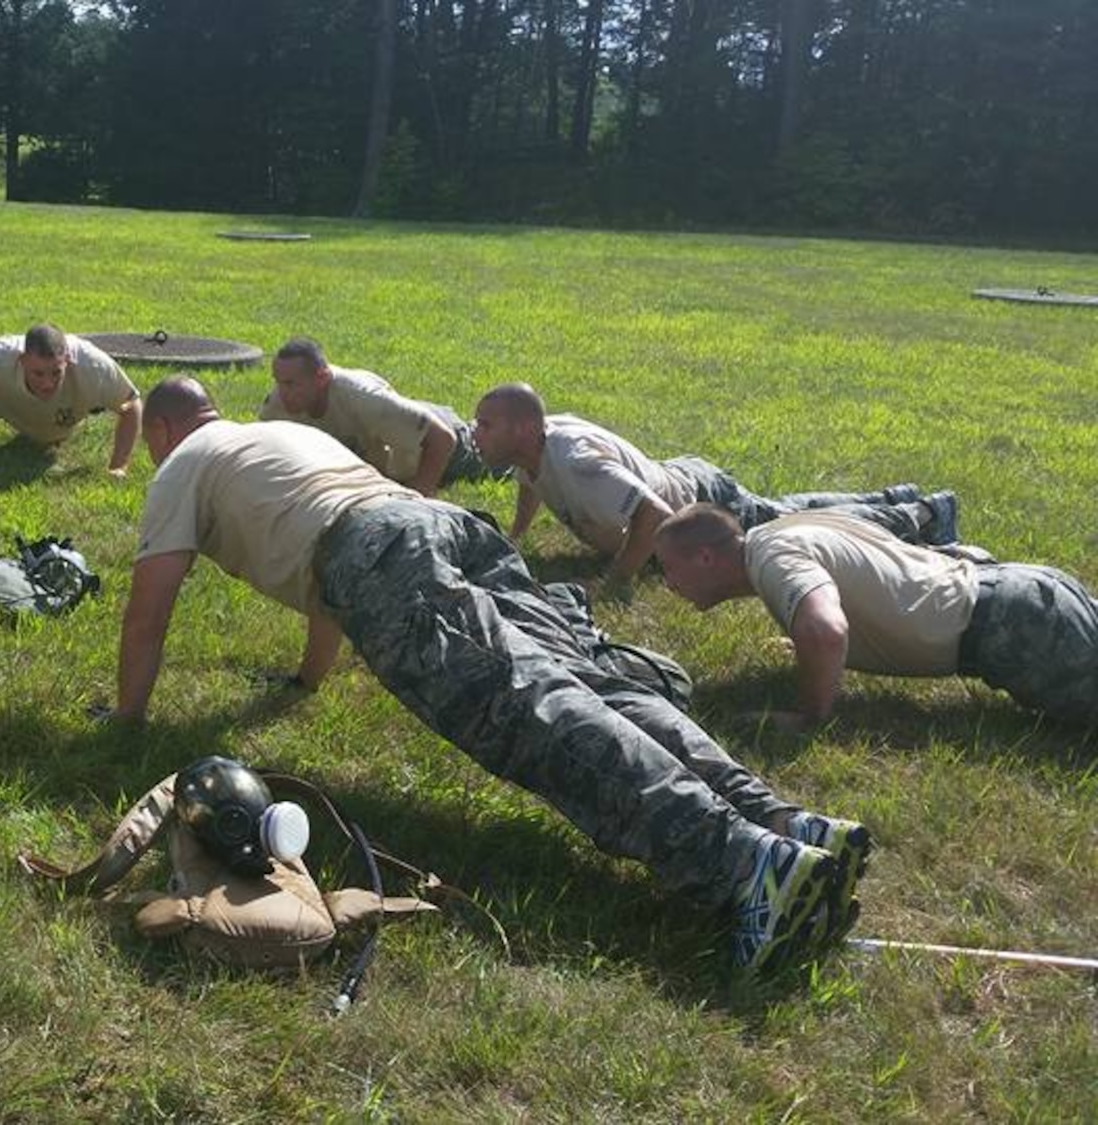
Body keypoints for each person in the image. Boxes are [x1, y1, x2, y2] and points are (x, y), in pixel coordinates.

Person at [110, 376, 869, 979]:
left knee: (530, 709)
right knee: (587, 678)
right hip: (440, 524)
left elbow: (151, 607)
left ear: (165, 430)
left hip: (379, 557)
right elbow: (325, 567)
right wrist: (307, 682)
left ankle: (749, 867)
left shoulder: (182, 464)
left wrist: (129, 724)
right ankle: (783, 822)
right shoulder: (274, 435)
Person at [470, 383, 957, 592]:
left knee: (793, 527)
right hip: (686, 476)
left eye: (485, 425)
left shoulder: (577, 462)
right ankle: (894, 499)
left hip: (703, 501)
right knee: (781, 510)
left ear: (522, 430)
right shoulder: (530, 450)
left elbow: (655, 513)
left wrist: (618, 580)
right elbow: (530, 483)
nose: (475, 433)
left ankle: (925, 514)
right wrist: (517, 534)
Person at [655, 503, 1098, 731]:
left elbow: (826, 631)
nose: (667, 585)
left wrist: (808, 716)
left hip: (1020, 628)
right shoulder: (782, 530)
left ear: (706, 558)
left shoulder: (774, 559)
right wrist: (802, 642)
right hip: (1021, 590)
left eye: (668, 568)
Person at [259, 338, 496, 497]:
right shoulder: (277, 406)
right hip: (398, 432)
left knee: (496, 456)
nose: (282, 392)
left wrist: (418, 499)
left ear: (322, 378)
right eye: (278, 381)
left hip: (441, 441)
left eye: (291, 384)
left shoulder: (362, 397)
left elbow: (443, 438)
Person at [0, 325, 141, 478]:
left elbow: (132, 405)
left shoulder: (94, 366)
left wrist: (118, 467)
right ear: (22, 361)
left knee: (49, 436)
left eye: (55, 373)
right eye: (38, 374)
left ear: (67, 360)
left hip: (58, 419)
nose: (47, 384)